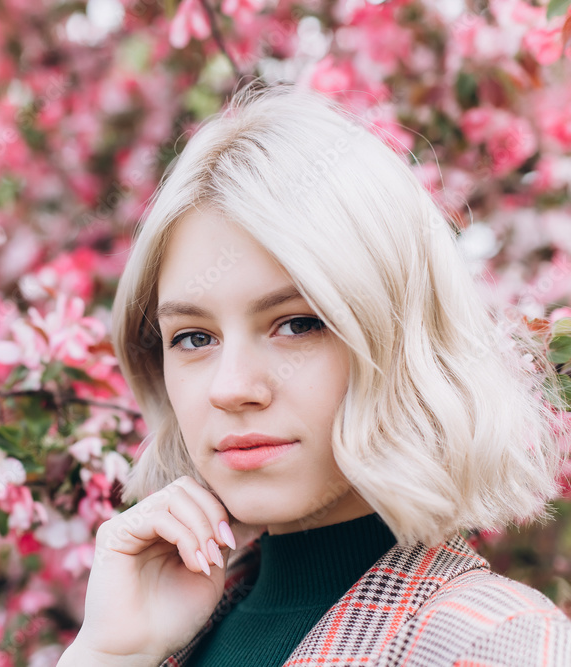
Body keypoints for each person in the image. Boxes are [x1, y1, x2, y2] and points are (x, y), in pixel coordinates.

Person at [56, 80, 571, 667]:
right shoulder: (161, 632)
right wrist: (109, 655)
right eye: (194, 338)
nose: (231, 388)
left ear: (396, 334)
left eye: (298, 324)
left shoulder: (492, 644)